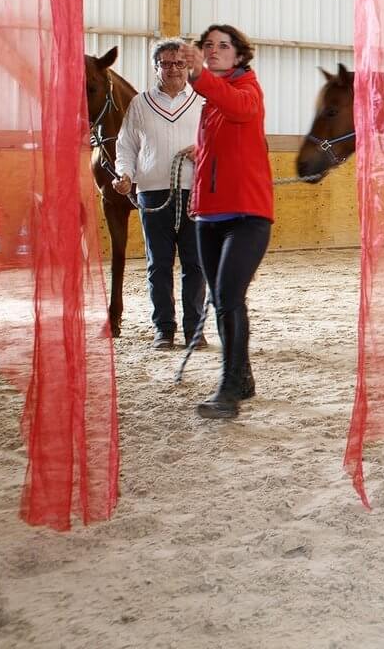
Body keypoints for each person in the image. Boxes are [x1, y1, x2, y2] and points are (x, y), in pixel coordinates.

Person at [179, 24, 274, 419]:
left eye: (222, 46)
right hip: (210, 216)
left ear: (239, 55)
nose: (213, 51)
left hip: (248, 217)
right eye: (207, 46)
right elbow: (215, 158)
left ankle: (230, 385)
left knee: (229, 295)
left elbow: (240, 109)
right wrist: (199, 198)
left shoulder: (247, 91)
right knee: (221, 298)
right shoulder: (210, 106)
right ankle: (243, 376)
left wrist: (199, 74)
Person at [113, 38, 207, 350]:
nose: (173, 69)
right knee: (158, 265)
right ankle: (164, 330)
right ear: (156, 68)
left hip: (194, 193)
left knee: (195, 264)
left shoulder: (203, 102)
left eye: (179, 63)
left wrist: (203, 151)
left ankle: (195, 330)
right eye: (165, 63)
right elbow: (126, 145)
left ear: (188, 67)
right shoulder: (140, 104)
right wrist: (125, 174)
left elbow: (220, 144)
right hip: (152, 194)